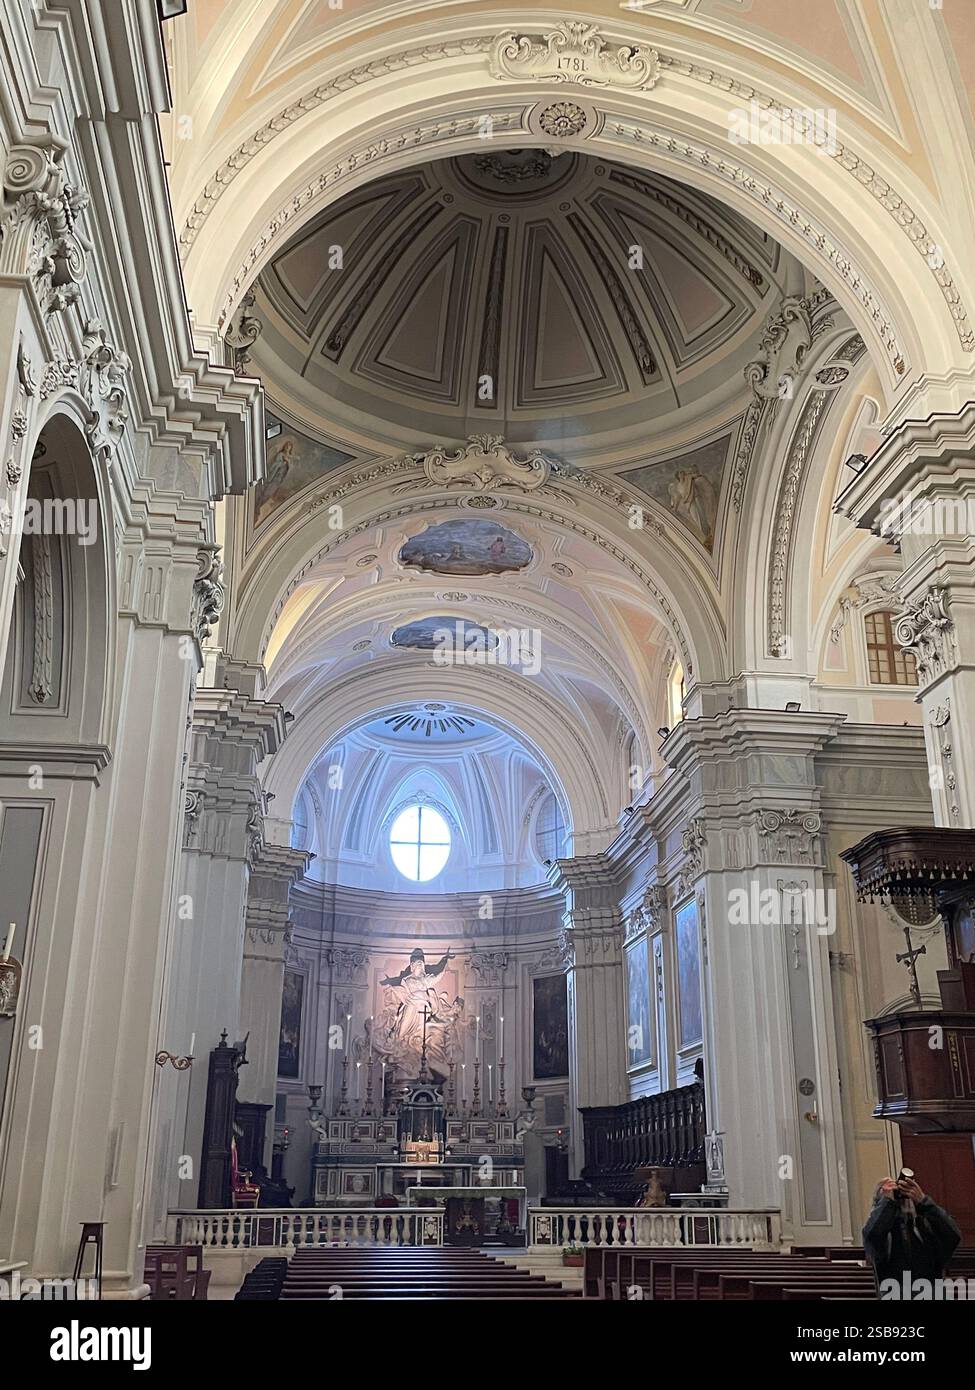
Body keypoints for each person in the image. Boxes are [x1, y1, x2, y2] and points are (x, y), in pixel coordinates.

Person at [862, 1172, 961, 1288]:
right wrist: (888, 1202)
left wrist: (924, 1202)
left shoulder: (925, 1225)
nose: (904, 1198)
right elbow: (873, 1235)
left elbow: (953, 1236)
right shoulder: (883, 1231)